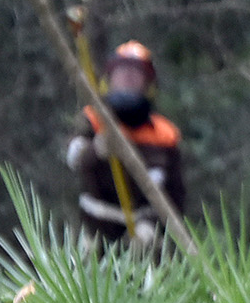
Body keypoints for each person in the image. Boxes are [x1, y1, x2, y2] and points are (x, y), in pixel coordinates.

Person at [65, 39, 187, 248]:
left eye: (135, 75)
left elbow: (176, 196)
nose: (128, 78)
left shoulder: (165, 135)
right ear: (110, 79)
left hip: (143, 234)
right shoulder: (92, 120)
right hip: (95, 230)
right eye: (122, 74)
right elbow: (73, 158)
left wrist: (152, 228)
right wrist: (97, 149)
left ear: (149, 84)